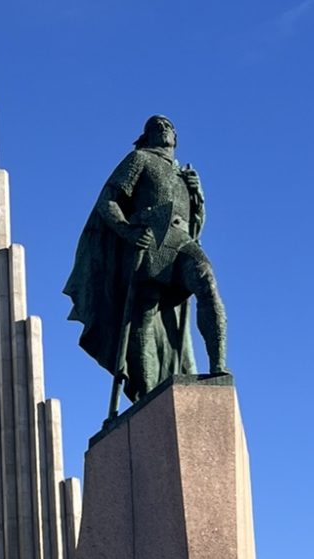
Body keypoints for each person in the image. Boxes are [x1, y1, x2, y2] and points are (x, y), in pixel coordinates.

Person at [63, 115, 229, 417]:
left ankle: (217, 365)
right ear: (146, 136)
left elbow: (195, 226)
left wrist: (198, 197)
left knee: (207, 281)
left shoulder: (185, 175)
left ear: (176, 138)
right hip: (148, 242)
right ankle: (149, 393)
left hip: (179, 241)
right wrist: (126, 230)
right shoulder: (139, 159)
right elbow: (108, 201)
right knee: (143, 316)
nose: (163, 128)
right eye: (156, 126)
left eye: (168, 126)